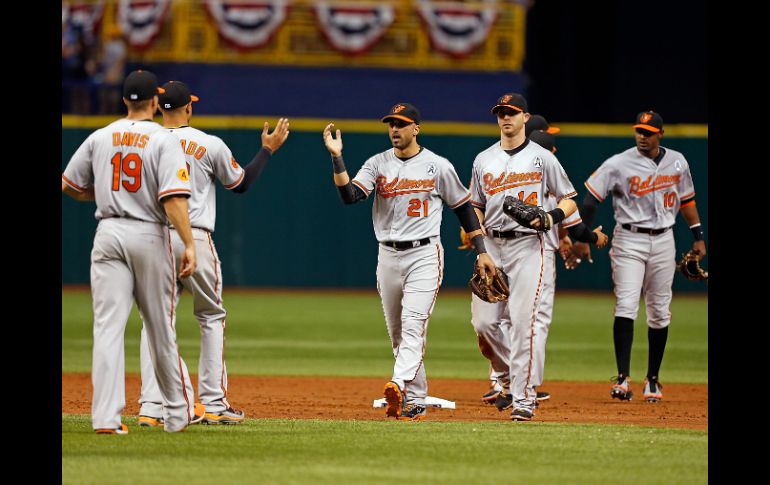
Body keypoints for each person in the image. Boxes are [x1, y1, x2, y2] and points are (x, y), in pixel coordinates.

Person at [322, 103, 497, 421]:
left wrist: (482, 249)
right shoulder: (377, 164)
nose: (394, 129)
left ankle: (398, 382)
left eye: (401, 124)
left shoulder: (437, 166)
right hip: (387, 255)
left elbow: (463, 207)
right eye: (391, 124)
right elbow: (350, 196)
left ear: (416, 128)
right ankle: (414, 399)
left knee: (414, 324)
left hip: (424, 254)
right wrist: (337, 156)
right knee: (398, 332)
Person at [136, 81, 290, 426]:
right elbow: (241, 183)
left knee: (156, 322)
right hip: (196, 237)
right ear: (189, 108)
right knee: (210, 317)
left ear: (160, 109)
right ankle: (213, 402)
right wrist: (267, 150)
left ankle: (150, 406)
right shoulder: (209, 144)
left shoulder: (144, 144)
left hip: (152, 238)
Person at [61, 70, 198, 434]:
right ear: (155, 101)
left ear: (124, 100)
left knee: (107, 328)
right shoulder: (163, 139)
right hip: (148, 234)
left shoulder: (100, 136)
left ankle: (105, 419)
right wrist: (189, 243)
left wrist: (103, 194)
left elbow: (68, 183)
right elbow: (173, 201)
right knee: (159, 328)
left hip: (107, 232)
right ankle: (174, 414)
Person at [471, 115, 606, 415]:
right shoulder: (490, 161)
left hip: (533, 249)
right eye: (549, 144)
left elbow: (569, 211)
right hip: (496, 245)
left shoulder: (545, 171)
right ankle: (511, 378)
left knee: (527, 323)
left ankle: (522, 393)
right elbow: (477, 207)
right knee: (488, 322)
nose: (553, 151)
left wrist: (563, 230)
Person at [573, 110, 707, 402]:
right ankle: (622, 379)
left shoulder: (677, 161)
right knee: (626, 304)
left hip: (664, 239)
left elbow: (687, 201)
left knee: (660, 310)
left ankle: (653, 380)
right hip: (629, 239)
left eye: (648, 132)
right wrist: (581, 235)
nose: (642, 137)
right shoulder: (619, 163)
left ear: (660, 134)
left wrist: (698, 237)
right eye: (639, 131)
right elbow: (590, 199)